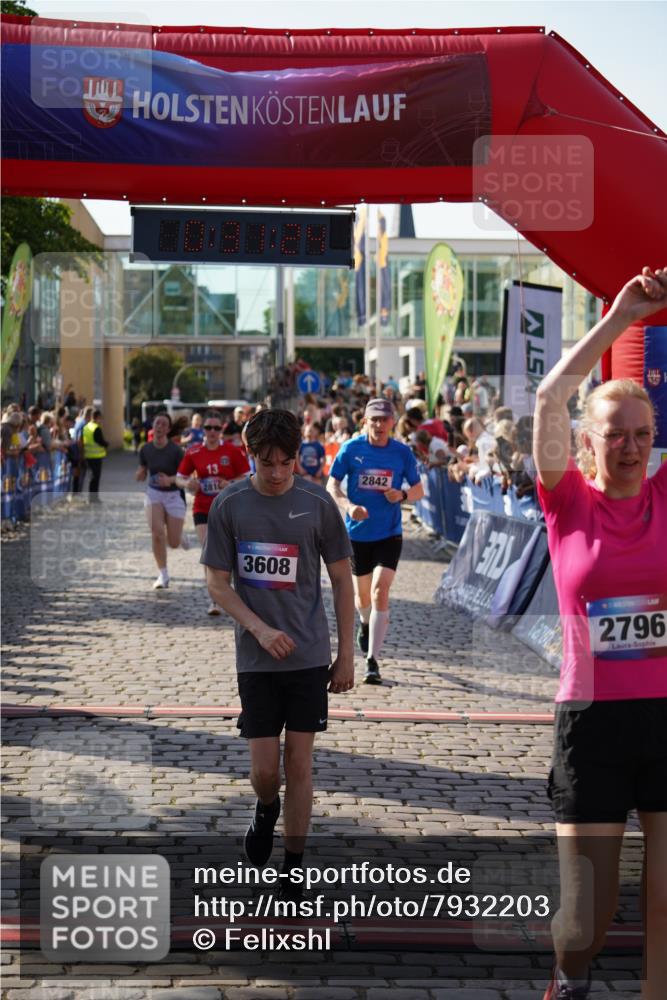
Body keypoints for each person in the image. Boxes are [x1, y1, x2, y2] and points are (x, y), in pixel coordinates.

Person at [533, 266, 667, 1000]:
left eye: (642, 435)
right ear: (589, 442)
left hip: (665, 714)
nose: (630, 447)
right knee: (586, 922)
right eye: (616, 435)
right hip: (591, 724)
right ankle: (568, 979)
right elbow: (550, 397)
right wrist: (620, 319)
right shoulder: (567, 502)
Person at [201, 409, 354, 885]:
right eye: (267, 463)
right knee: (266, 771)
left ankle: (293, 867)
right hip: (256, 658)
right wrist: (260, 630)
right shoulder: (230, 504)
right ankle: (266, 806)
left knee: (300, 764)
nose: (277, 473)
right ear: (250, 455)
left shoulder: (317, 502)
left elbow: (342, 580)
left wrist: (346, 654)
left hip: (309, 655)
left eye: (286, 463)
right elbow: (216, 583)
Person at [326, 398, 424, 685]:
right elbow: (332, 484)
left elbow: (418, 489)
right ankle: (366, 623)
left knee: (381, 589)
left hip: (389, 532)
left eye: (385, 419)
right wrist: (348, 506)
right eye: (374, 420)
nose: (380, 425)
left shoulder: (401, 453)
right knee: (362, 597)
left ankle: (372, 660)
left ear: (393, 422)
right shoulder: (351, 449)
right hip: (357, 534)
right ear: (365, 422)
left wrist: (402, 495)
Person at [176, 410, 249, 614]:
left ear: (221, 430)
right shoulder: (194, 451)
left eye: (217, 428)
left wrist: (230, 483)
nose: (212, 432)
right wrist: (188, 483)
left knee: (226, 552)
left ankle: (227, 592)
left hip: (228, 508)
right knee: (209, 551)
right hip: (202, 507)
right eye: (208, 427)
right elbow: (179, 478)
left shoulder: (232, 451)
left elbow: (247, 476)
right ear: (203, 429)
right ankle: (215, 600)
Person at [136, 412, 187, 589]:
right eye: (157, 423)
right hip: (154, 494)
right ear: (153, 426)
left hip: (174, 495)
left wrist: (170, 480)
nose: (159, 427)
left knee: (173, 542)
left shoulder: (176, 451)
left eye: (164, 424)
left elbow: (184, 477)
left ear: (168, 429)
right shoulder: (145, 449)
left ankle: (178, 535)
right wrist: (140, 473)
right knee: (157, 533)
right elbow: (142, 469)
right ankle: (163, 575)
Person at [82, 409, 108, 502]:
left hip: (88, 455)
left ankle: (91, 497)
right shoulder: (96, 428)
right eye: (100, 418)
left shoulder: (86, 427)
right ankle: (94, 498)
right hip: (96, 456)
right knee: (95, 478)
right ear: (97, 417)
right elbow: (100, 441)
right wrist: (107, 444)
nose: (101, 420)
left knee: (92, 477)